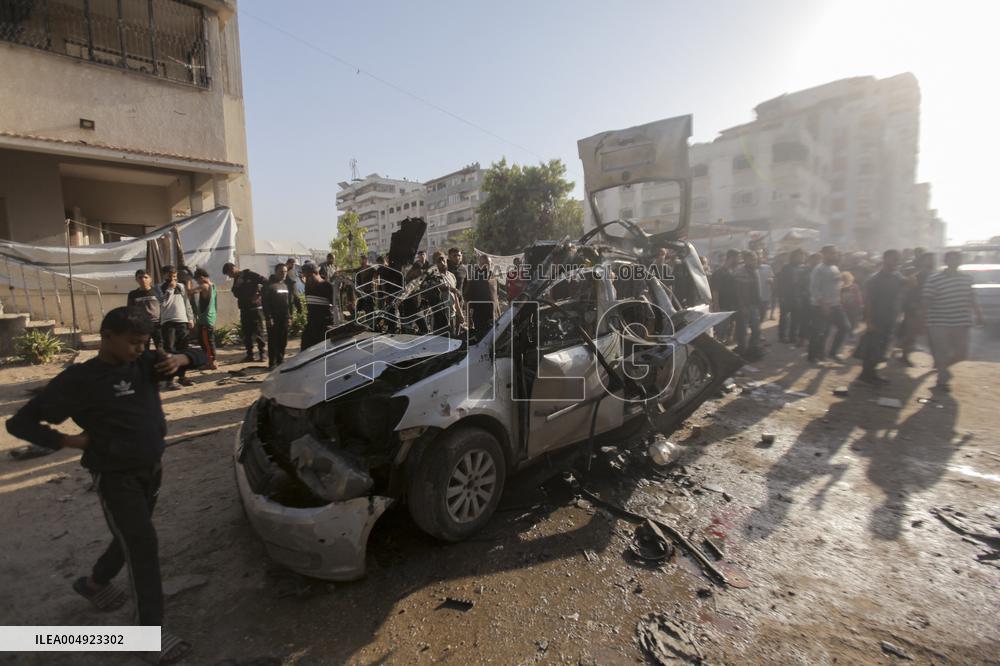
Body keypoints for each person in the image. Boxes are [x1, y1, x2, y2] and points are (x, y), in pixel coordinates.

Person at [6, 307, 205, 664]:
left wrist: (179, 358)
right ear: (107, 336)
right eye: (132, 343)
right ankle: (149, 634)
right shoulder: (80, 381)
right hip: (115, 475)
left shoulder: (146, 363)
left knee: (129, 535)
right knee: (142, 543)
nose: (139, 349)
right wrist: (69, 441)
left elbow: (201, 357)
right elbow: (20, 423)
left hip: (150, 469)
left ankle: (94, 583)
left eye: (144, 343)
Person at [921, 251, 983, 392]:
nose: (954, 262)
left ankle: (942, 367)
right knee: (942, 351)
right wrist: (923, 321)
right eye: (951, 259)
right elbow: (926, 301)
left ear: (960, 261)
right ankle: (942, 380)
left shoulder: (967, 278)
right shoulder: (934, 279)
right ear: (945, 261)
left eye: (957, 259)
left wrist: (979, 315)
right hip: (938, 321)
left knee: (962, 354)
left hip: (961, 321)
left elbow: (972, 298)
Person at [857, 250, 904, 385]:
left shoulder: (896, 276)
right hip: (877, 317)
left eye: (897, 259)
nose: (895, 262)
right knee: (873, 346)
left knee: (883, 346)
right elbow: (869, 301)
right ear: (885, 259)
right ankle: (866, 374)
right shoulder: (875, 279)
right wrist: (868, 320)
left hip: (891, 316)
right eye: (893, 259)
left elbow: (906, 285)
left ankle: (872, 372)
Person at [808, 245, 849, 363]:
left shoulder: (835, 267)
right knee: (818, 332)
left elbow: (835, 284)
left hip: (836, 304)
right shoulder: (819, 269)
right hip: (820, 306)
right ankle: (813, 357)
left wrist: (844, 285)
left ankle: (833, 353)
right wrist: (823, 304)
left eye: (835, 253)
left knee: (845, 327)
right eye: (831, 253)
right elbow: (814, 289)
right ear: (824, 254)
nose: (834, 255)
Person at [159, 265, 195, 389]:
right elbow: (163, 304)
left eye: (174, 276)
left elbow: (187, 303)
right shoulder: (159, 288)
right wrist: (169, 289)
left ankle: (182, 376)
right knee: (170, 351)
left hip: (182, 322)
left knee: (183, 350)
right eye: (170, 276)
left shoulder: (181, 286)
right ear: (164, 275)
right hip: (168, 323)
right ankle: (170, 380)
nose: (172, 279)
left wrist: (190, 318)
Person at [223, 262, 267, 362]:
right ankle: (249, 354)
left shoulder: (249, 274)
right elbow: (235, 292)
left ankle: (262, 354)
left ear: (233, 269)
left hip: (255, 308)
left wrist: (259, 294)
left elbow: (266, 282)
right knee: (247, 333)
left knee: (259, 331)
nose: (229, 276)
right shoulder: (237, 280)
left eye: (229, 273)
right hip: (244, 308)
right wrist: (237, 286)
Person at [898, 252, 935, 366]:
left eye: (932, 259)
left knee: (933, 336)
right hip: (916, 309)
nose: (931, 262)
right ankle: (904, 355)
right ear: (922, 261)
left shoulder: (936, 276)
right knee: (911, 335)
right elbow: (909, 294)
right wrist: (915, 307)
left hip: (932, 310)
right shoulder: (917, 276)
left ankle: (937, 360)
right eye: (928, 259)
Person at [734, 251, 763, 359]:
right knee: (743, 331)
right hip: (745, 306)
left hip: (754, 305)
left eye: (755, 259)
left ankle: (752, 350)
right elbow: (738, 292)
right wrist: (742, 306)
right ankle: (742, 351)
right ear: (745, 260)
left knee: (756, 330)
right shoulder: (740, 272)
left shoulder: (755, 271)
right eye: (752, 259)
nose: (754, 261)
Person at [263, 263, 293, 368]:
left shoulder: (285, 285)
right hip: (274, 319)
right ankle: (272, 363)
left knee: (283, 340)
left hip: (284, 318)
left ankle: (280, 361)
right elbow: (265, 303)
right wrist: (268, 318)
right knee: (273, 341)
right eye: (281, 272)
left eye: (285, 272)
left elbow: (288, 303)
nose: (283, 274)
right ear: (275, 272)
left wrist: (289, 317)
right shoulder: (269, 286)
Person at [464, 254, 500, 340]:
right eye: (483, 263)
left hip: (493, 317)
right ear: (479, 264)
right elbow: (467, 299)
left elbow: (496, 298)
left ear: (491, 264)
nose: (485, 266)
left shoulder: (494, 278)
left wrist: (499, 315)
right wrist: (468, 319)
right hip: (480, 317)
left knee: (494, 340)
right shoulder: (473, 278)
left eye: (488, 263)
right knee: (482, 340)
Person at [301, 262, 335, 349]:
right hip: (311, 325)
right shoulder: (308, 286)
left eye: (308, 276)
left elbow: (335, 307)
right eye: (305, 277)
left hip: (324, 327)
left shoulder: (327, 286)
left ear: (316, 273)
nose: (306, 279)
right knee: (305, 351)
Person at [127, 269, 162, 351]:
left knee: (160, 347)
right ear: (136, 280)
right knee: (143, 348)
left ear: (150, 279)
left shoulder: (157, 291)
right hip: (142, 324)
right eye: (140, 277)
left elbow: (164, 306)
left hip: (157, 324)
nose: (143, 279)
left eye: (146, 277)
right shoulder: (133, 294)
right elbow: (130, 309)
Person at [709, 249, 740, 342]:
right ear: (731, 258)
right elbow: (715, 290)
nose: (739, 261)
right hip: (723, 306)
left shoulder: (733, 271)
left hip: (732, 305)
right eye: (737, 258)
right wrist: (716, 306)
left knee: (730, 328)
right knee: (721, 331)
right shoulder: (719, 273)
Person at [191, 268, 218, 370]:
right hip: (210, 318)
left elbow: (191, 292)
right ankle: (211, 361)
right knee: (207, 341)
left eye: (197, 280)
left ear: (201, 278)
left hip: (205, 319)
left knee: (206, 342)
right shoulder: (213, 285)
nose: (197, 282)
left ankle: (211, 363)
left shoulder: (204, 286)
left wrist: (187, 283)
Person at [775, 249, 803, 343]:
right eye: (798, 256)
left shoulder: (802, 267)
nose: (800, 258)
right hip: (786, 297)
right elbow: (780, 283)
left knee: (796, 318)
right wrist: (781, 296)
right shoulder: (786, 267)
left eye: (801, 256)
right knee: (784, 318)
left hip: (797, 297)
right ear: (793, 257)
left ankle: (793, 336)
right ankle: (782, 336)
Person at [756, 252, 775, 321]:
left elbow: (772, 277)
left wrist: (771, 280)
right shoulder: (751, 269)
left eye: (760, 258)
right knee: (755, 315)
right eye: (756, 259)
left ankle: (760, 324)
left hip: (765, 294)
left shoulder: (767, 267)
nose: (758, 260)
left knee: (763, 314)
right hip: (754, 296)